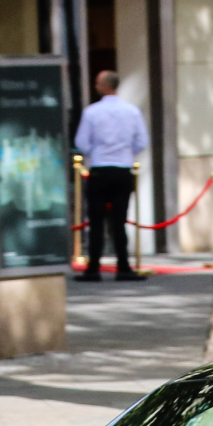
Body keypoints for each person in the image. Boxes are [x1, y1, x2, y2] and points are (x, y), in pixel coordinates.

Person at [73, 70, 149, 282]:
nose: (96, 86)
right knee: (119, 221)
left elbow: (81, 142)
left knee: (96, 221)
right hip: (122, 169)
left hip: (99, 169)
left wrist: (96, 152)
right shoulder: (132, 111)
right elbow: (142, 141)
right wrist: (125, 153)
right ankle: (123, 266)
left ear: (104, 86)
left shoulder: (92, 112)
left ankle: (93, 268)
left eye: (98, 83)